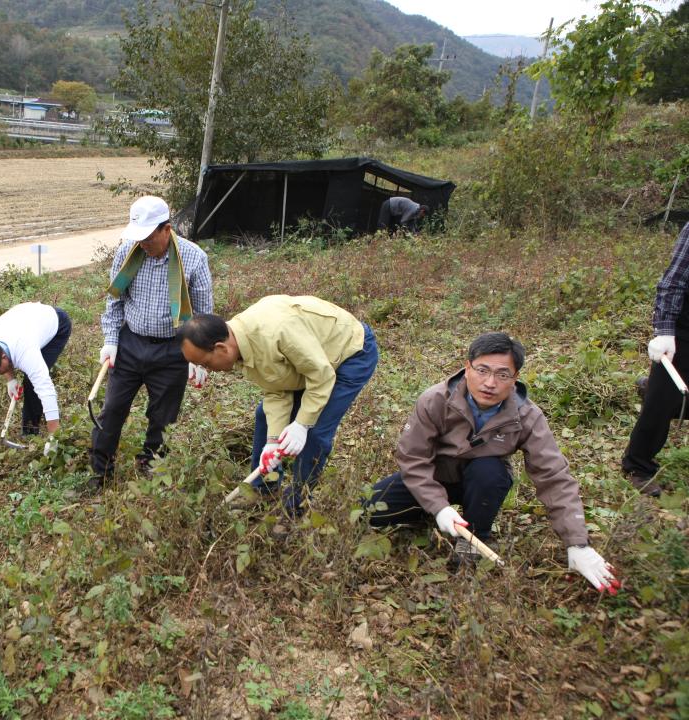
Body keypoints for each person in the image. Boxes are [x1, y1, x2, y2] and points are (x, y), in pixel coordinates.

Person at [363, 332, 621, 594]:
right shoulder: (435, 400)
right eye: (482, 370)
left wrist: (578, 544)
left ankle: (472, 539)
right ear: (467, 368)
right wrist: (438, 506)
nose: (490, 383)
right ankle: (433, 514)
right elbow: (413, 458)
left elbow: (554, 476)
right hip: (434, 478)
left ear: (515, 378)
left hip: (481, 483)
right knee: (370, 509)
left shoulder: (527, 416)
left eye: (502, 374)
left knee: (490, 471)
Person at [178, 295, 378, 518]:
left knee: (314, 434)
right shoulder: (241, 344)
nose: (209, 370)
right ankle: (264, 490)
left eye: (205, 364)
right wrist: (273, 442)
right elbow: (277, 388)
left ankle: (295, 508)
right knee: (265, 416)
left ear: (221, 348)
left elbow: (320, 376)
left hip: (349, 352)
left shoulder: (277, 332)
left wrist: (301, 424)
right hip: (311, 362)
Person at [90, 195, 214, 488]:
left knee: (162, 417)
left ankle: (151, 465)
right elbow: (114, 302)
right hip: (130, 344)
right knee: (112, 411)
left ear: (166, 229)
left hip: (173, 350)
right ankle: (100, 472)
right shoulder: (127, 253)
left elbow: (204, 315)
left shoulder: (193, 258)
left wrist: (199, 357)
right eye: (138, 237)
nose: (143, 244)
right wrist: (111, 340)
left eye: (148, 237)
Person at [622, 220, 689, 496]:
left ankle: (650, 387)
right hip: (684, 327)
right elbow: (673, 282)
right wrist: (664, 331)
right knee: (662, 401)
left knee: (676, 397)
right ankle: (637, 465)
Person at [0, 302, 71, 438]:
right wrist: (10, 379)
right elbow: (3, 352)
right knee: (27, 371)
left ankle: (29, 432)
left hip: (57, 324)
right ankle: (29, 431)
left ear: (3, 356)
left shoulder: (25, 351)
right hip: (26, 318)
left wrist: (54, 436)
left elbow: (46, 390)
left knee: (32, 384)